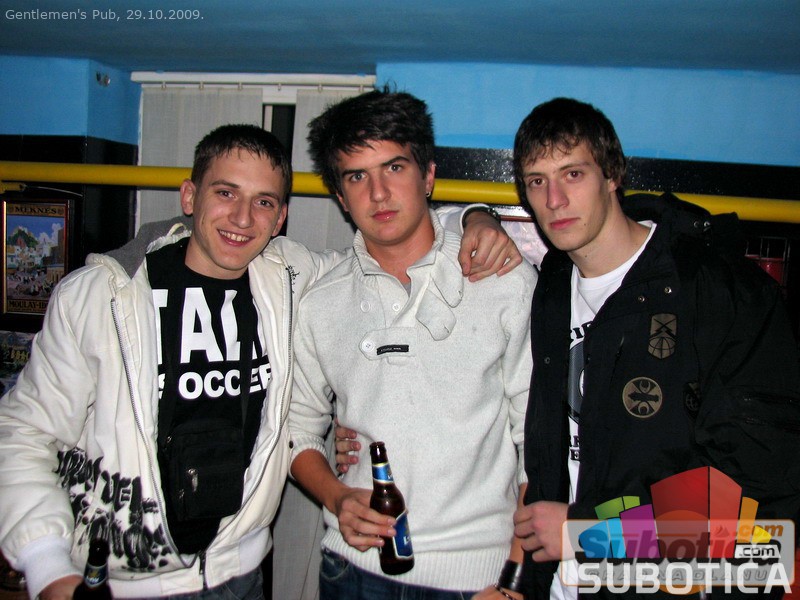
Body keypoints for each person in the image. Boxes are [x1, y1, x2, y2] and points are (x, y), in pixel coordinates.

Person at [0, 124, 520, 599]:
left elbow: (394, 236)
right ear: (189, 196)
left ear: (280, 218)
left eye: (264, 202)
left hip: (240, 577)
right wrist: (48, 568)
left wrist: (474, 217)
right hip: (116, 582)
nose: (243, 218)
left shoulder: (293, 278)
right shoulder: (100, 297)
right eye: (226, 193)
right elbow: (22, 432)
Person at [510, 97, 800, 599]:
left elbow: (766, 530)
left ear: (612, 174)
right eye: (537, 181)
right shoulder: (553, 286)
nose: (554, 199)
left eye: (573, 174)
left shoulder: (719, 291)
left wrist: (590, 536)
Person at [287, 89, 536, 600]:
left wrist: (516, 576)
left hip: (477, 578)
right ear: (340, 197)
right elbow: (296, 429)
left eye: (394, 168)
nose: (378, 194)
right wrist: (336, 498)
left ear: (428, 176)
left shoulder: (504, 278)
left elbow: (537, 436)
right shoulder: (320, 302)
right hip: (351, 570)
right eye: (357, 177)